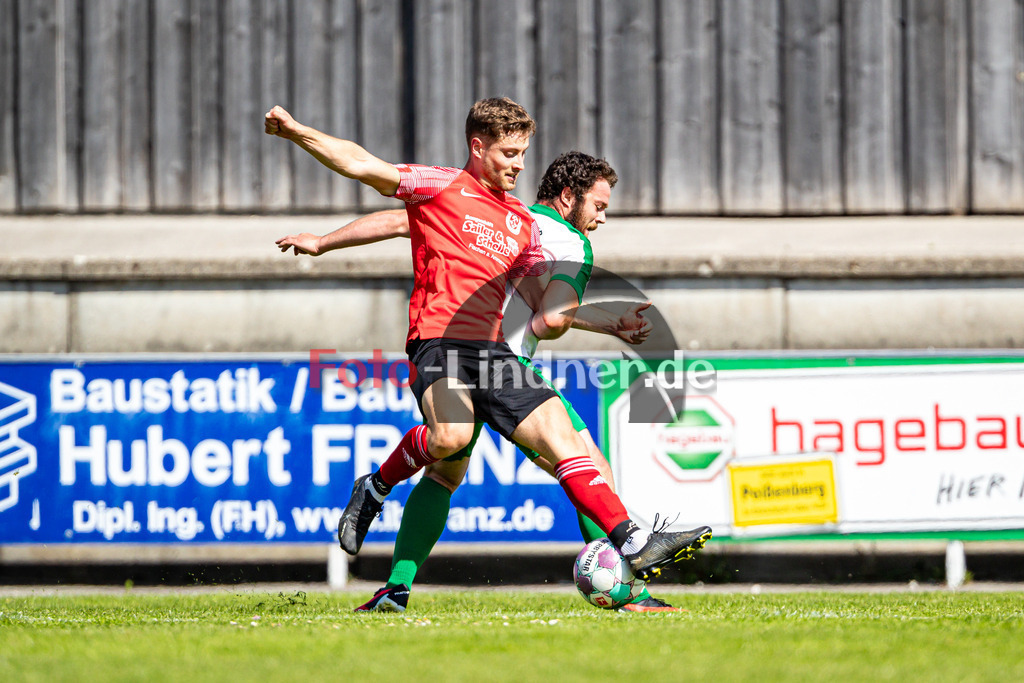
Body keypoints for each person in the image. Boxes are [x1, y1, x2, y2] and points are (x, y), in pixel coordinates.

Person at [264, 97, 711, 595]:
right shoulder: (440, 186)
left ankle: (633, 543)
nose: (519, 165)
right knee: (450, 443)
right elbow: (364, 168)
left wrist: (609, 321)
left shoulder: (522, 221)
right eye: (509, 154)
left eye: (523, 154)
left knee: (554, 448)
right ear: (478, 148)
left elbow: (543, 304)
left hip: (495, 353)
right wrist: (298, 135)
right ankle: (376, 488)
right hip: (441, 342)